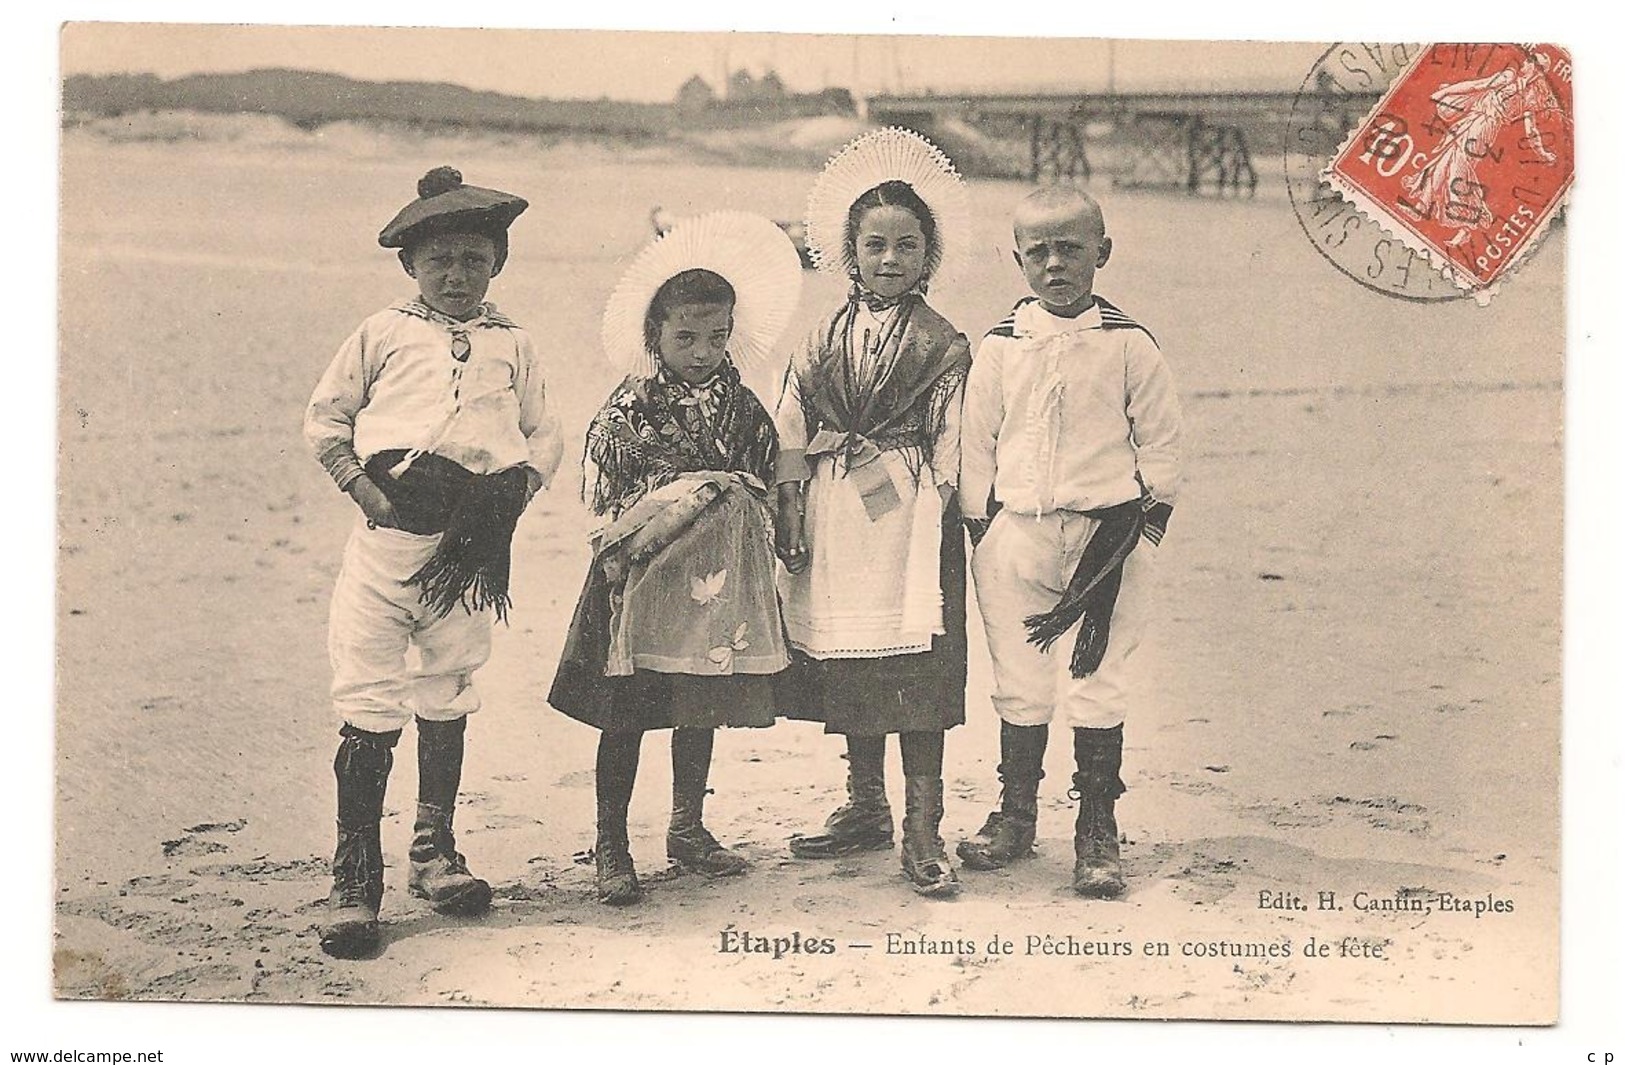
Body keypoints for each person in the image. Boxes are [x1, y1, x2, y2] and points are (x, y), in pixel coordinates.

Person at [303, 166, 563, 957]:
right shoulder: (381, 333)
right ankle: (356, 877)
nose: (457, 275)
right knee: (370, 701)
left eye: (475, 259)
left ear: (497, 264)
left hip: (468, 554)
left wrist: (514, 493)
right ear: (411, 265)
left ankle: (434, 852)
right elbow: (326, 419)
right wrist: (363, 489)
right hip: (387, 550)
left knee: (448, 689)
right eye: (441, 259)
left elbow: (545, 432)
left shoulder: (512, 342)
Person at [548, 212, 803, 906]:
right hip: (643, 573)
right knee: (626, 710)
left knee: (700, 702)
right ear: (653, 334)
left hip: (711, 577)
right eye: (685, 336)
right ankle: (611, 842)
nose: (702, 351)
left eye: (717, 336)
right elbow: (608, 494)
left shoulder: (743, 405)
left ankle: (687, 826)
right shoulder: (627, 409)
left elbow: (764, 470)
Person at [956, 186, 1181, 899]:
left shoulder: (1127, 342)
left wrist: (1141, 530)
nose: (1055, 264)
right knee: (1018, 683)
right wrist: (983, 526)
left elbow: (1164, 445)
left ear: (1101, 254)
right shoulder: (999, 346)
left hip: (1105, 539)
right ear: (1017, 258)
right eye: (1038, 252)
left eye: (1071, 249)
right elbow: (975, 443)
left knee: (1097, 683)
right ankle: (1016, 813)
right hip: (1016, 535)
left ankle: (1095, 825)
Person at [775, 128, 972, 898]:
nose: (890, 259)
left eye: (907, 245)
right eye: (875, 244)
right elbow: (789, 422)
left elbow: (955, 439)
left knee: (917, 663)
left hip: (910, 517)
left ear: (929, 257)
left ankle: (923, 827)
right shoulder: (820, 336)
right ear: (848, 254)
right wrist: (789, 502)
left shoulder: (941, 345)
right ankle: (865, 804)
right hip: (836, 511)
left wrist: (938, 505)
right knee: (851, 660)